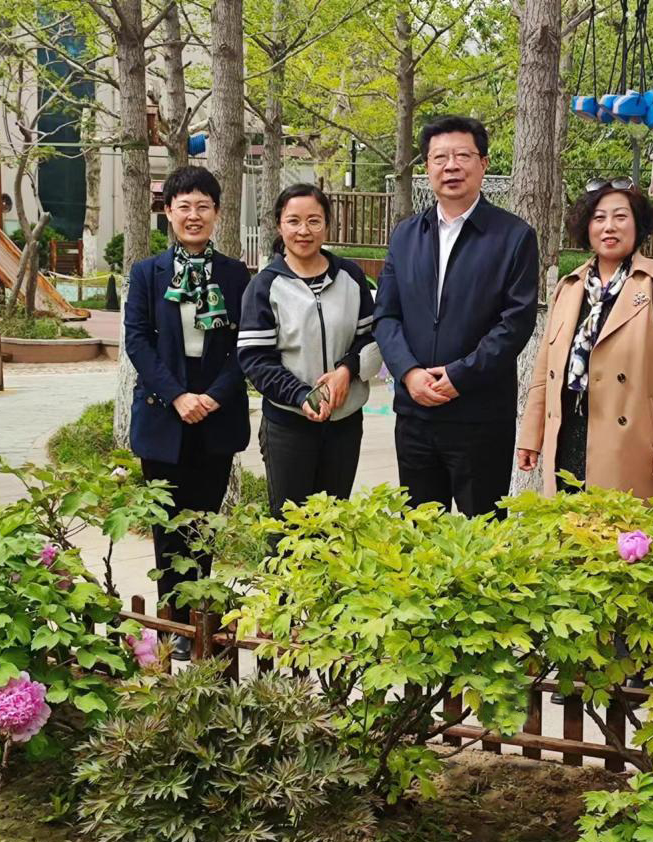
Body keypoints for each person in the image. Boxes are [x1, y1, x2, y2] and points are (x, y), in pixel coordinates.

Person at [374, 115, 538, 518]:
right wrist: (409, 373)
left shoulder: (513, 236)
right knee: (419, 532)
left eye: (463, 156)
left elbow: (515, 322)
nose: (451, 166)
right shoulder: (406, 235)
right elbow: (386, 316)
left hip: (480, 415)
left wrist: (460, 375)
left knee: (484, 532)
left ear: (483, 164)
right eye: (440, 158)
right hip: (415, 414)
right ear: (427, 167)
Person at [124, 165, 250, 659]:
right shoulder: (147, 273)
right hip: (164, 411)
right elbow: (137, 340)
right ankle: (171, 624)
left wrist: (213, 396)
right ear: (168, 212)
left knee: (204, 523)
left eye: (203, 206)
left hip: (216, 411)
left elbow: (247, 344)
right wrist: (178, 396)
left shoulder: (236, 274)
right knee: (168, 525)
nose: (193, 215)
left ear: (217, 213)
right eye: (184, 206)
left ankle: (202, 622)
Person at [517, 179, 653, 507]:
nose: (609, 227)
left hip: (636, 445)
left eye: (620, 217)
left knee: (627, 532)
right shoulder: (568, 287)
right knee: (572, 531)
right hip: (569, 434)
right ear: (586, 227)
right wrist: (531, 436)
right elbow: (546, 371)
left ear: (638, 225)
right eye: (599, 218)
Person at [238, 183, 380, 515]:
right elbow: (256, 359)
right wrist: (301, 395)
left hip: (344, 423)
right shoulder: (265, 286)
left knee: (334, 522)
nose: (304, 230)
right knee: (290, 526)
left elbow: (372, 337)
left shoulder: (350, 276)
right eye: (294, 221)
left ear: (327, 225)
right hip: (289, 425)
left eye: (314, 221)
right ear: (279, 225)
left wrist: (347, 370)